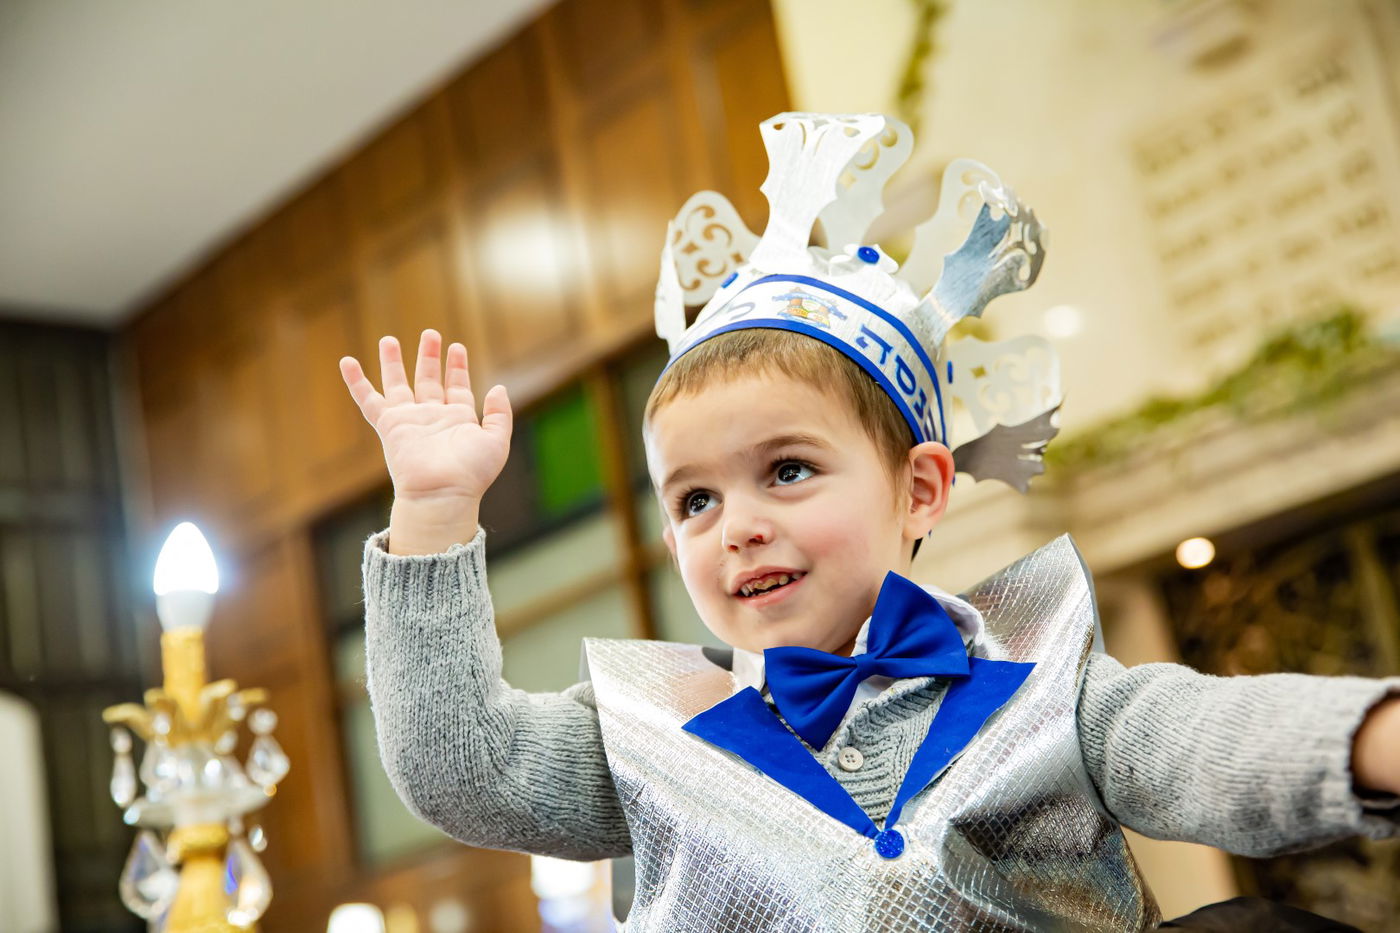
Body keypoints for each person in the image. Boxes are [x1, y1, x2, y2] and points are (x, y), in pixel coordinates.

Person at [339, 113, 1400, 931]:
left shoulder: (1044, 684)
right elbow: (462, 766)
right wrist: (433, 512)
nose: (735, 527)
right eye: (695, 501)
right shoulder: (640, 735)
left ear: (920, 491)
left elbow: (1199, 740)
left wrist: (1363, 739)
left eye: (787, 470)